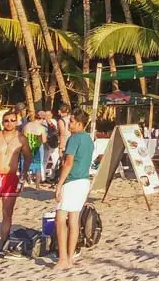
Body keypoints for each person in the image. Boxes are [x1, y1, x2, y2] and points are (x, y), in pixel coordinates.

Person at [0, 110, 31, 254]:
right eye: (6, 120)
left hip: (10, 177)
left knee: (7, 212)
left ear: (17, 121)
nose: (9, 123)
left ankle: (3, 244)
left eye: (12, 120)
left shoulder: (21, 139)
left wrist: (24, 174)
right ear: (2, 122)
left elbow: (28, 157)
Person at [53, 110, 94, 270]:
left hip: (72, 181)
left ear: (79, 123)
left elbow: (68, 163)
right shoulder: (89, 139)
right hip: (83, 180)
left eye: (71, 121)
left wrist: (59, 184)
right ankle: (69, 257)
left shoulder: (74, 138)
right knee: (74, 220)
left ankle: (63, 258)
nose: (69, 124)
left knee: (60, 219)